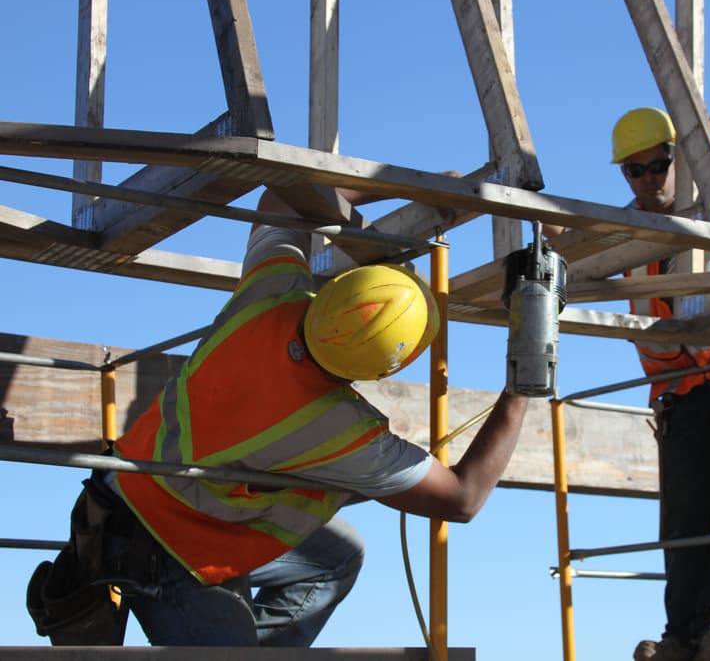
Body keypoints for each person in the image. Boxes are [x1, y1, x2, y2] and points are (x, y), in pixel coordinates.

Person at [31, 186, 530, 647]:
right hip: (168, 547)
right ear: (386, 369)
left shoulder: (269, 296)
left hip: (128, 494)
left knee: (335, 556)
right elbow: (463, 499)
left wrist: (410, 187)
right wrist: (527, 377)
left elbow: (281, 197)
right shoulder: (337, 428)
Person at [600, 108, 710, 661]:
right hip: (680, 393)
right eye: (635, 170)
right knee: (683, 518)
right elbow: (581, 262)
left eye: (659, 164)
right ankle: (681, 635)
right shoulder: (622, 233)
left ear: (680, 161)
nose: (649, 178)